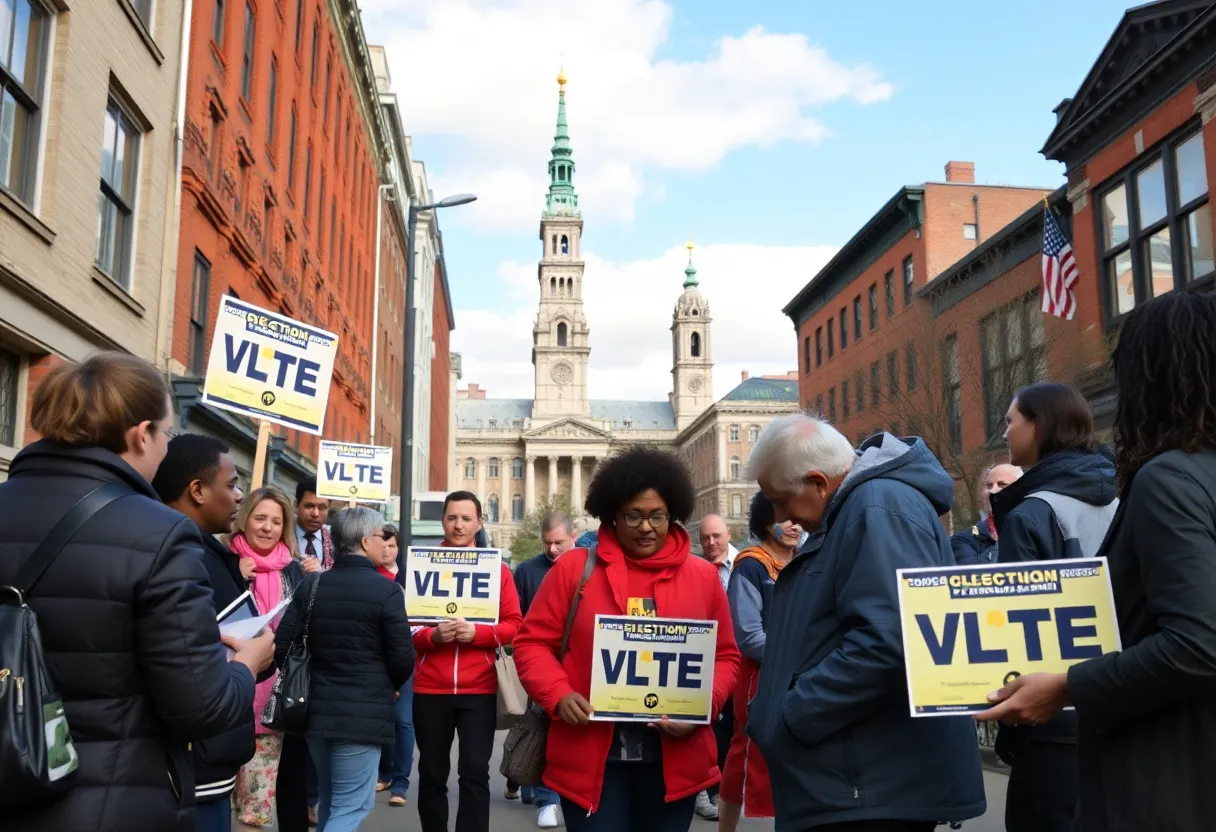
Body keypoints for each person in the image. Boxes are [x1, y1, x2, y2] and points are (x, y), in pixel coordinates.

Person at [0, 352, 274, 831]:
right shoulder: (161, 534)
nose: (166, 448)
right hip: (110, 799)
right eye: (167, 434)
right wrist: (246, 665)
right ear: (140, 434)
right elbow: (201, 705)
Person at [979, 291, 1216, 832]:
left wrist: (1068, 685)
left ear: (1149, 378)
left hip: (1166, 778)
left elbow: (1199, 643)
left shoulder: (1169, 479)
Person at [745, 415, 986, 832]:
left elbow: (888, 641)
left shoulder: (876, 507)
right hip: (862, 782)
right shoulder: (862, 508)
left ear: (819, 483)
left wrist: (792, 713)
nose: (782, 516)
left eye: (782, 501)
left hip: (869, 786)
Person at [513, 447, 741, 832]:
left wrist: (702, 706)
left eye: (657, 516)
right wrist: (558, 694)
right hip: (589, 759)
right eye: (633, 515)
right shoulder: (574, 568)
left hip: (676, 760)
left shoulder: (702, 577)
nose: (646, 527)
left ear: (673, 515)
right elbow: (531, 643)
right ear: (613, 516)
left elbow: (726, 657)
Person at [987, 382, 1117, 832]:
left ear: (1038, 425)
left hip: (1052, 723)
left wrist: (1012, 729)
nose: (1004, 434)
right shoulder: (1128, 495)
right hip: (1124, 700)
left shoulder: (1030, 514)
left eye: (1010, 422)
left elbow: (1020, 633)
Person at [275, 507, 416, 832]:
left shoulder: (312, 585)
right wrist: (388, 684)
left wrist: (307, 679)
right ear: (366, 541)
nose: (386, 542)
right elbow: (403, 657)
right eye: (382, 536)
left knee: (331, 798)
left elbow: (283, 644)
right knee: (352, 805)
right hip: (362, 718)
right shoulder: (387, 591)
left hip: (314, 712)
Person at [152, 435, 263, 832]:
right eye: (232, 484)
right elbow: (203, 670)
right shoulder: (187, 556)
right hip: (193, 765)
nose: (238, 497)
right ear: (197, 490)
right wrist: (255, 657)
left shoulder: (182, 547)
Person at [412, 491, 523, 832]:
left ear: (479, 522)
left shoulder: (499, 570)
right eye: (451, 517)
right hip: (431, 688)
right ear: (442, 521)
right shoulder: (422, 563)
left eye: (465, 518)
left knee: (475, 772)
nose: (458, 525)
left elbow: (514, 626)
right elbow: (406, 628)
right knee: (431, 773)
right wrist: (434, 637)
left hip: (480, 688)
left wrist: (478, 634)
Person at [718, 492, 800, 831]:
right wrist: (795, 658)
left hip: (800, 673)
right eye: (785, 519)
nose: (794, 525)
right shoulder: (751, 566)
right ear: (767, 522)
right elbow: (749, 635)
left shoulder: (806, 560)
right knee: (745, 753)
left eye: (797, 518)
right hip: (759, 675)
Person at [228, 486, 306, 828]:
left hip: (275, 699)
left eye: (276, 521)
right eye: (260, 518)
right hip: (225, 694)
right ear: (244, 519)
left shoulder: (294, 570)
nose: (267, 527)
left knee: (255, 808)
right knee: (220, 797)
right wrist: (236, 578)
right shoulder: (223, 560)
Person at [504, 511, 575, 828]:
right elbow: (516, 620)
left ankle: (545, 794)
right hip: (539, 664)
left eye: (559, 542)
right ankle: (542, 793)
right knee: (538, 727)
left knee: (562, 732)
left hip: (575, 665)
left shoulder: (588, 570)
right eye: (547, 543)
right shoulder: (528, 571)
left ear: (573, 536)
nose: (553, 549)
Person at [694, 513, 734, 821]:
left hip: (735, 660)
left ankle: (723, 788)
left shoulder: (746, 564)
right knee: (710, 728)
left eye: (717, 536)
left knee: (732, 729)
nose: (712, 543)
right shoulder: (695, 571)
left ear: (729, 534)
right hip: (703, 660)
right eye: (706, 538)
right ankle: (706, 789)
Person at [375, 524, 415, 808]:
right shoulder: (365, 576)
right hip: (374, 659)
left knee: (403, 720)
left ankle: (401, 781)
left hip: (403, 657)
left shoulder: (409, 579)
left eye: (392, 546)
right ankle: (384, 773)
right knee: (382, 718)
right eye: (383, 544)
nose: (387, 551)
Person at [950, 463, 1023, 565]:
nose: (992, 491)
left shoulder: (1036, 531)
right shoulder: (963, 540)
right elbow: (973, 577)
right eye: (989, 486)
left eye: (1002, 485)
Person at [295, 478, 334, 571]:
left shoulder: (336, 541)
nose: (315, 514)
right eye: (309, 506)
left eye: (322, 508)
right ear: (296, 505)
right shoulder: (281, 536)